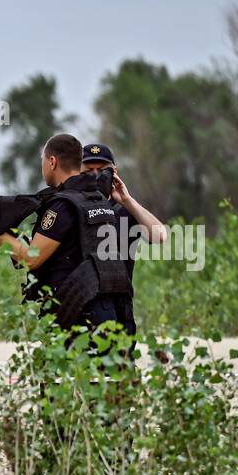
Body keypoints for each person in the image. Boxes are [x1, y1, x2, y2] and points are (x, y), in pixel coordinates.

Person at [0, 134, 132, 343]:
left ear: (52, 162)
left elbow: (31, 258)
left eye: (43, 162)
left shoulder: (63, 206)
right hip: (107, 313)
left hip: (76, 318)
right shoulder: (98, 200)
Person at [80, 142, 168, 335]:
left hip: (119, 307)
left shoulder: (124, 211)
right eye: (88, 170)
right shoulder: (72, 207)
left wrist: (127, 200)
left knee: (121, 364)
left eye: (102, 170)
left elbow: (160, 236)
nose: (95, 175)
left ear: (114, 172)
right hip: (81, 306)